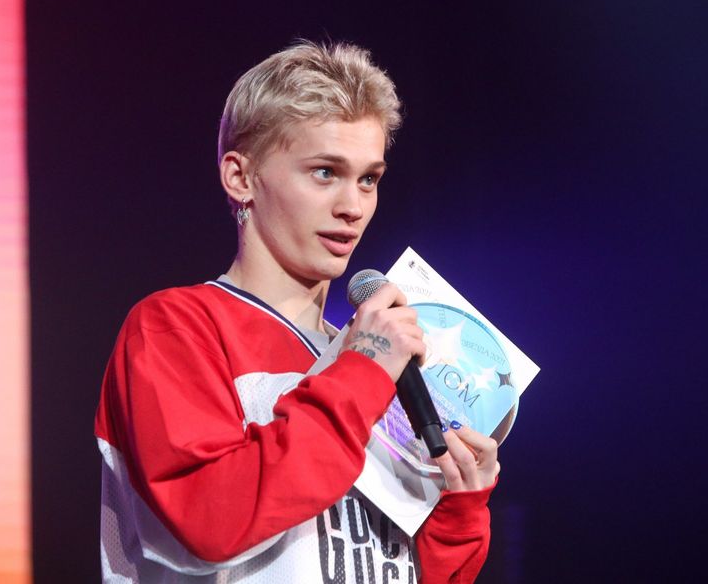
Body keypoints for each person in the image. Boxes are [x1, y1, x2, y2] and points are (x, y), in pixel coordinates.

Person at [95, 40, 501, 583]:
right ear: (241, 178)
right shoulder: (176, 326)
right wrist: (362, 372)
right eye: (325, 172)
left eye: (369, 178)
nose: (353, 207)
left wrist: (458, 510)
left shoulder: (374, 359)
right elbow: (211, 521)